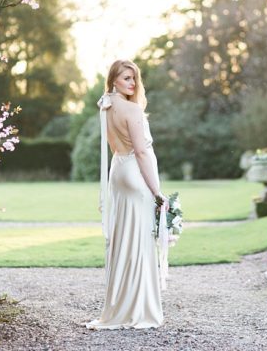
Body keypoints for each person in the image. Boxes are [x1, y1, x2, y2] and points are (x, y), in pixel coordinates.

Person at [86, 59, 168, 330]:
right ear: (114, 80)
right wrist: (157, 192)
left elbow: (113, 144)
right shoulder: (131, 109)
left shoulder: (105, 106)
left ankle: (120, 304)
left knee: (124, 239)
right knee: (139, 240)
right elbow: (142, 152)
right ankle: (137, 309)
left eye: (134, 78)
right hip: (134, 171)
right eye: (126, 78)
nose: (132, 83)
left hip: (118, 171)